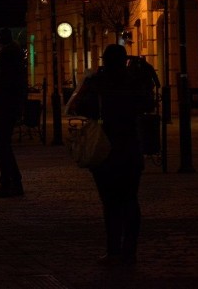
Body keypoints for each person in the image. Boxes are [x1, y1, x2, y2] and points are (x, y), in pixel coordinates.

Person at [67, 43, 156, 266]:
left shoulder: (98, 81)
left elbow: (77, 107)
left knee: (110, 202)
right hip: (130, 147)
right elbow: (148, 104)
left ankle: (113, 250)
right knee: (130, 200)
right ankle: (129, 250)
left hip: (105, 148)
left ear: (105, 60)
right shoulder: (133, 80)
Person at [0, 28, 27, 198]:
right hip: (10, 106)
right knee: (3, 146)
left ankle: (10, 182)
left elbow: (0, 84)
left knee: (3, 147)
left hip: (4, 106)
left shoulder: (5, 57)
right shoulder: (14, 56)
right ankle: (12, 181)